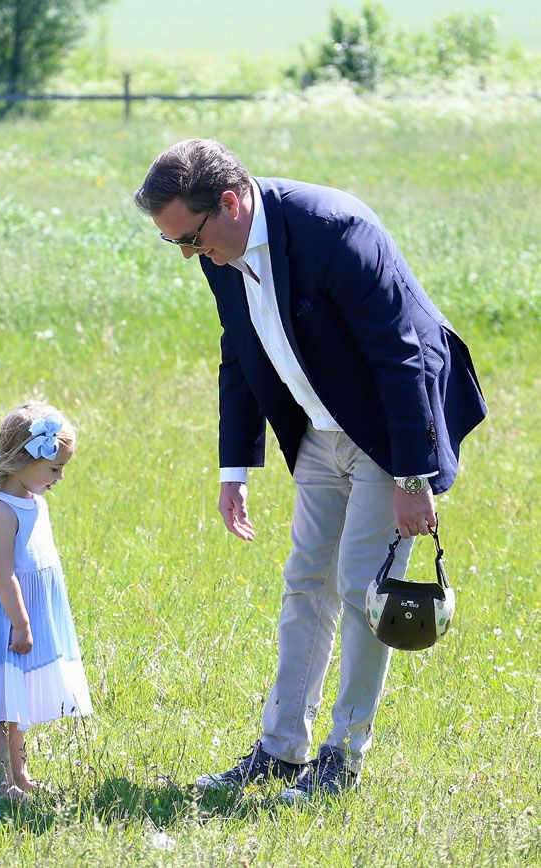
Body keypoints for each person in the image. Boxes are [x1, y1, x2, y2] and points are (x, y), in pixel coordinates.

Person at [134, 139, 486, 805]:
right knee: (305, 583)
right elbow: (238, 351)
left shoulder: (336, 231)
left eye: (189, 237)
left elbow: (401, 357)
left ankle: (343, 760)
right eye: (173, 242)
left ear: (230, 203)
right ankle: (280, 751)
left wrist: (414, 478)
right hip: (321, 430)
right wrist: (233, 467)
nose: (186, 254)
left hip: (389, 425)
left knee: (361, 587)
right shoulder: (221, 249)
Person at [0, 401, 92, 800]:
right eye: (54, 468)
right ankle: (0, 781)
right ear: (23, 459)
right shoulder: (0, 511)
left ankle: (20, 773)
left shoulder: (34, 502)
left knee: (18, 702)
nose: (59, 478)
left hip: (29, 615)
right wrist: (22, 624)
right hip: (4, 620)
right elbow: (4, 573)